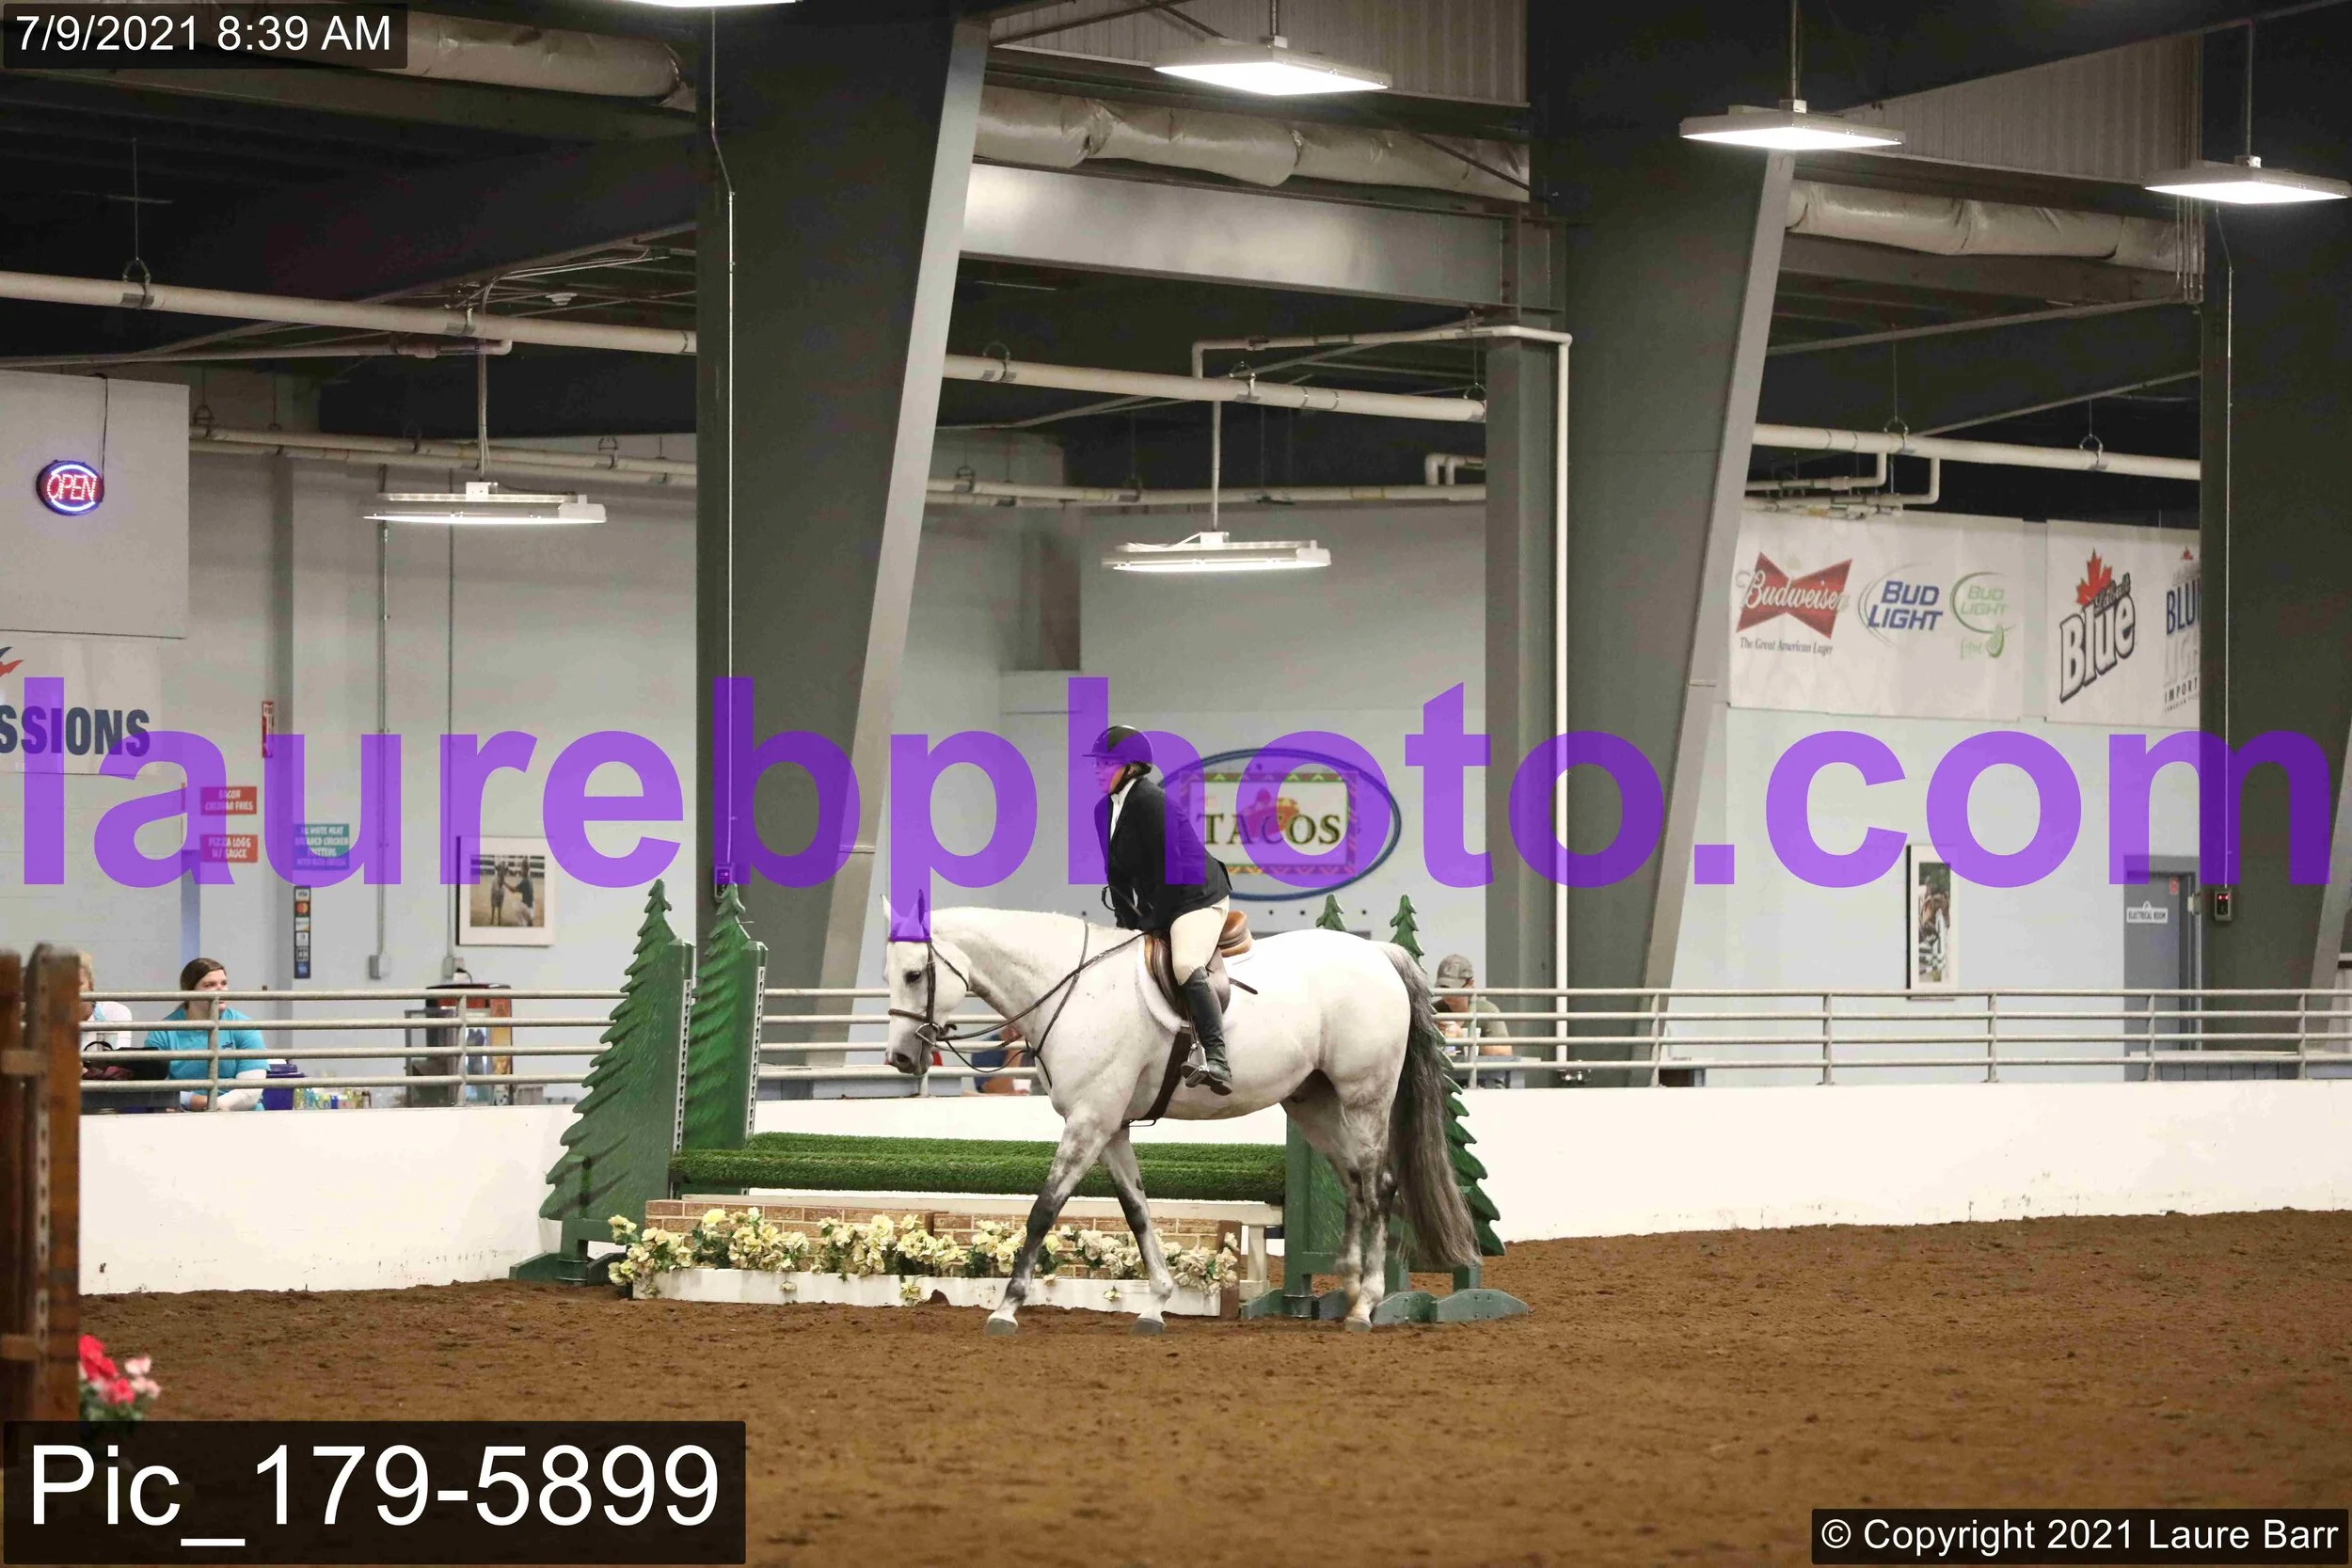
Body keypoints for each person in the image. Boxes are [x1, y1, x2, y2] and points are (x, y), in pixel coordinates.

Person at [1089, 723, 1235, 1095]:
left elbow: (1174, 869)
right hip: (1162, 900)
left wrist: (1153, 922)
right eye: (1097, 764)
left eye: (1106, 764)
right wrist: (1126, 927)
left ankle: (1217, 1058)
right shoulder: (1103, 811)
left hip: (1196, 896)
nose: (1097, 770)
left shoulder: (1150, 802)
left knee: (1185, 963)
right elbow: (1116, 878)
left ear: (1131, 768)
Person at [144, 958, 270, 1112]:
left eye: (223, 983)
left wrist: (205, 1105)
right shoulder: (163, 1031)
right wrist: (192, 1102)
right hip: (184, 1118)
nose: (220, 990)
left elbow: (251, 1092)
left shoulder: (244, 1026)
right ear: (189, 992)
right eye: (209, 985)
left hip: (240, 1114)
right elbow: (156, 1090)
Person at [75, 955, 154, 1114]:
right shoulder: (47, 1018)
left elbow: (115, 1065)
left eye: (77, 984)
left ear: (91, 984)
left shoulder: (116, 1012)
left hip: (106, 1105)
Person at [1432, 953, 1516, 1088]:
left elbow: (1505, 1053)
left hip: (1484, 1083)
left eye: (1453, 988)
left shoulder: (1486, 1010)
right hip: (1443, 1082)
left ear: (1470, 984)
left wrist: (1463, 1037)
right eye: (1443, 987)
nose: (1447, 993)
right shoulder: (1434, 1011)